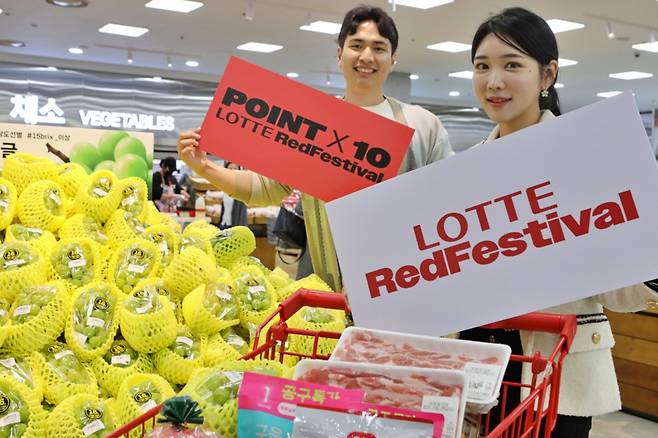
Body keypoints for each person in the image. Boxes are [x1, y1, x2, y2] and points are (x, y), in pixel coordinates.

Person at [463, 7, 658, 437]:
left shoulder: (585, 165)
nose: (494, 81)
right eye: (482, 66)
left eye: (512, 65)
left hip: (558, 370)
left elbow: (621, 291)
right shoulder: (461, 173)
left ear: (547, 75)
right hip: (479, 369)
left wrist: (648, 256)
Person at [177, 5, 454, 291]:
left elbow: (451, 199)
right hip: (329, 286)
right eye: (356, 45)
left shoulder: (422, 126)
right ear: (339, 54)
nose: (367, 57)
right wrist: (205, 167)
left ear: (393, 58)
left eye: (379, 48)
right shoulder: (315, 125)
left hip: (407, 282)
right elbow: (264, 187)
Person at [218, 161, 248, 228]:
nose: (232, 171)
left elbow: (242, 213)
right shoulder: (225, 188)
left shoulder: (241, 189)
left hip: (234, 226)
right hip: (223, 224)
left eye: (235, 169)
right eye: (230, 169)